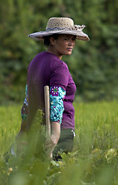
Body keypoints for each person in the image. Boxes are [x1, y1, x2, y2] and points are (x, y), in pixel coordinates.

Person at [16, 17, 89, 160]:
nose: (71, 43)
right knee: (57, 171)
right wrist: (56, 134)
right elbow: (56, 99)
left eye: (73, 39)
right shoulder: (59, 67)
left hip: (36, 129)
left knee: (36, 170)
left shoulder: (35, 61)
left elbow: (28, 98)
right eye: (66, 39)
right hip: (59, 129)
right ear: (53, 40)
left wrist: (23, 131)